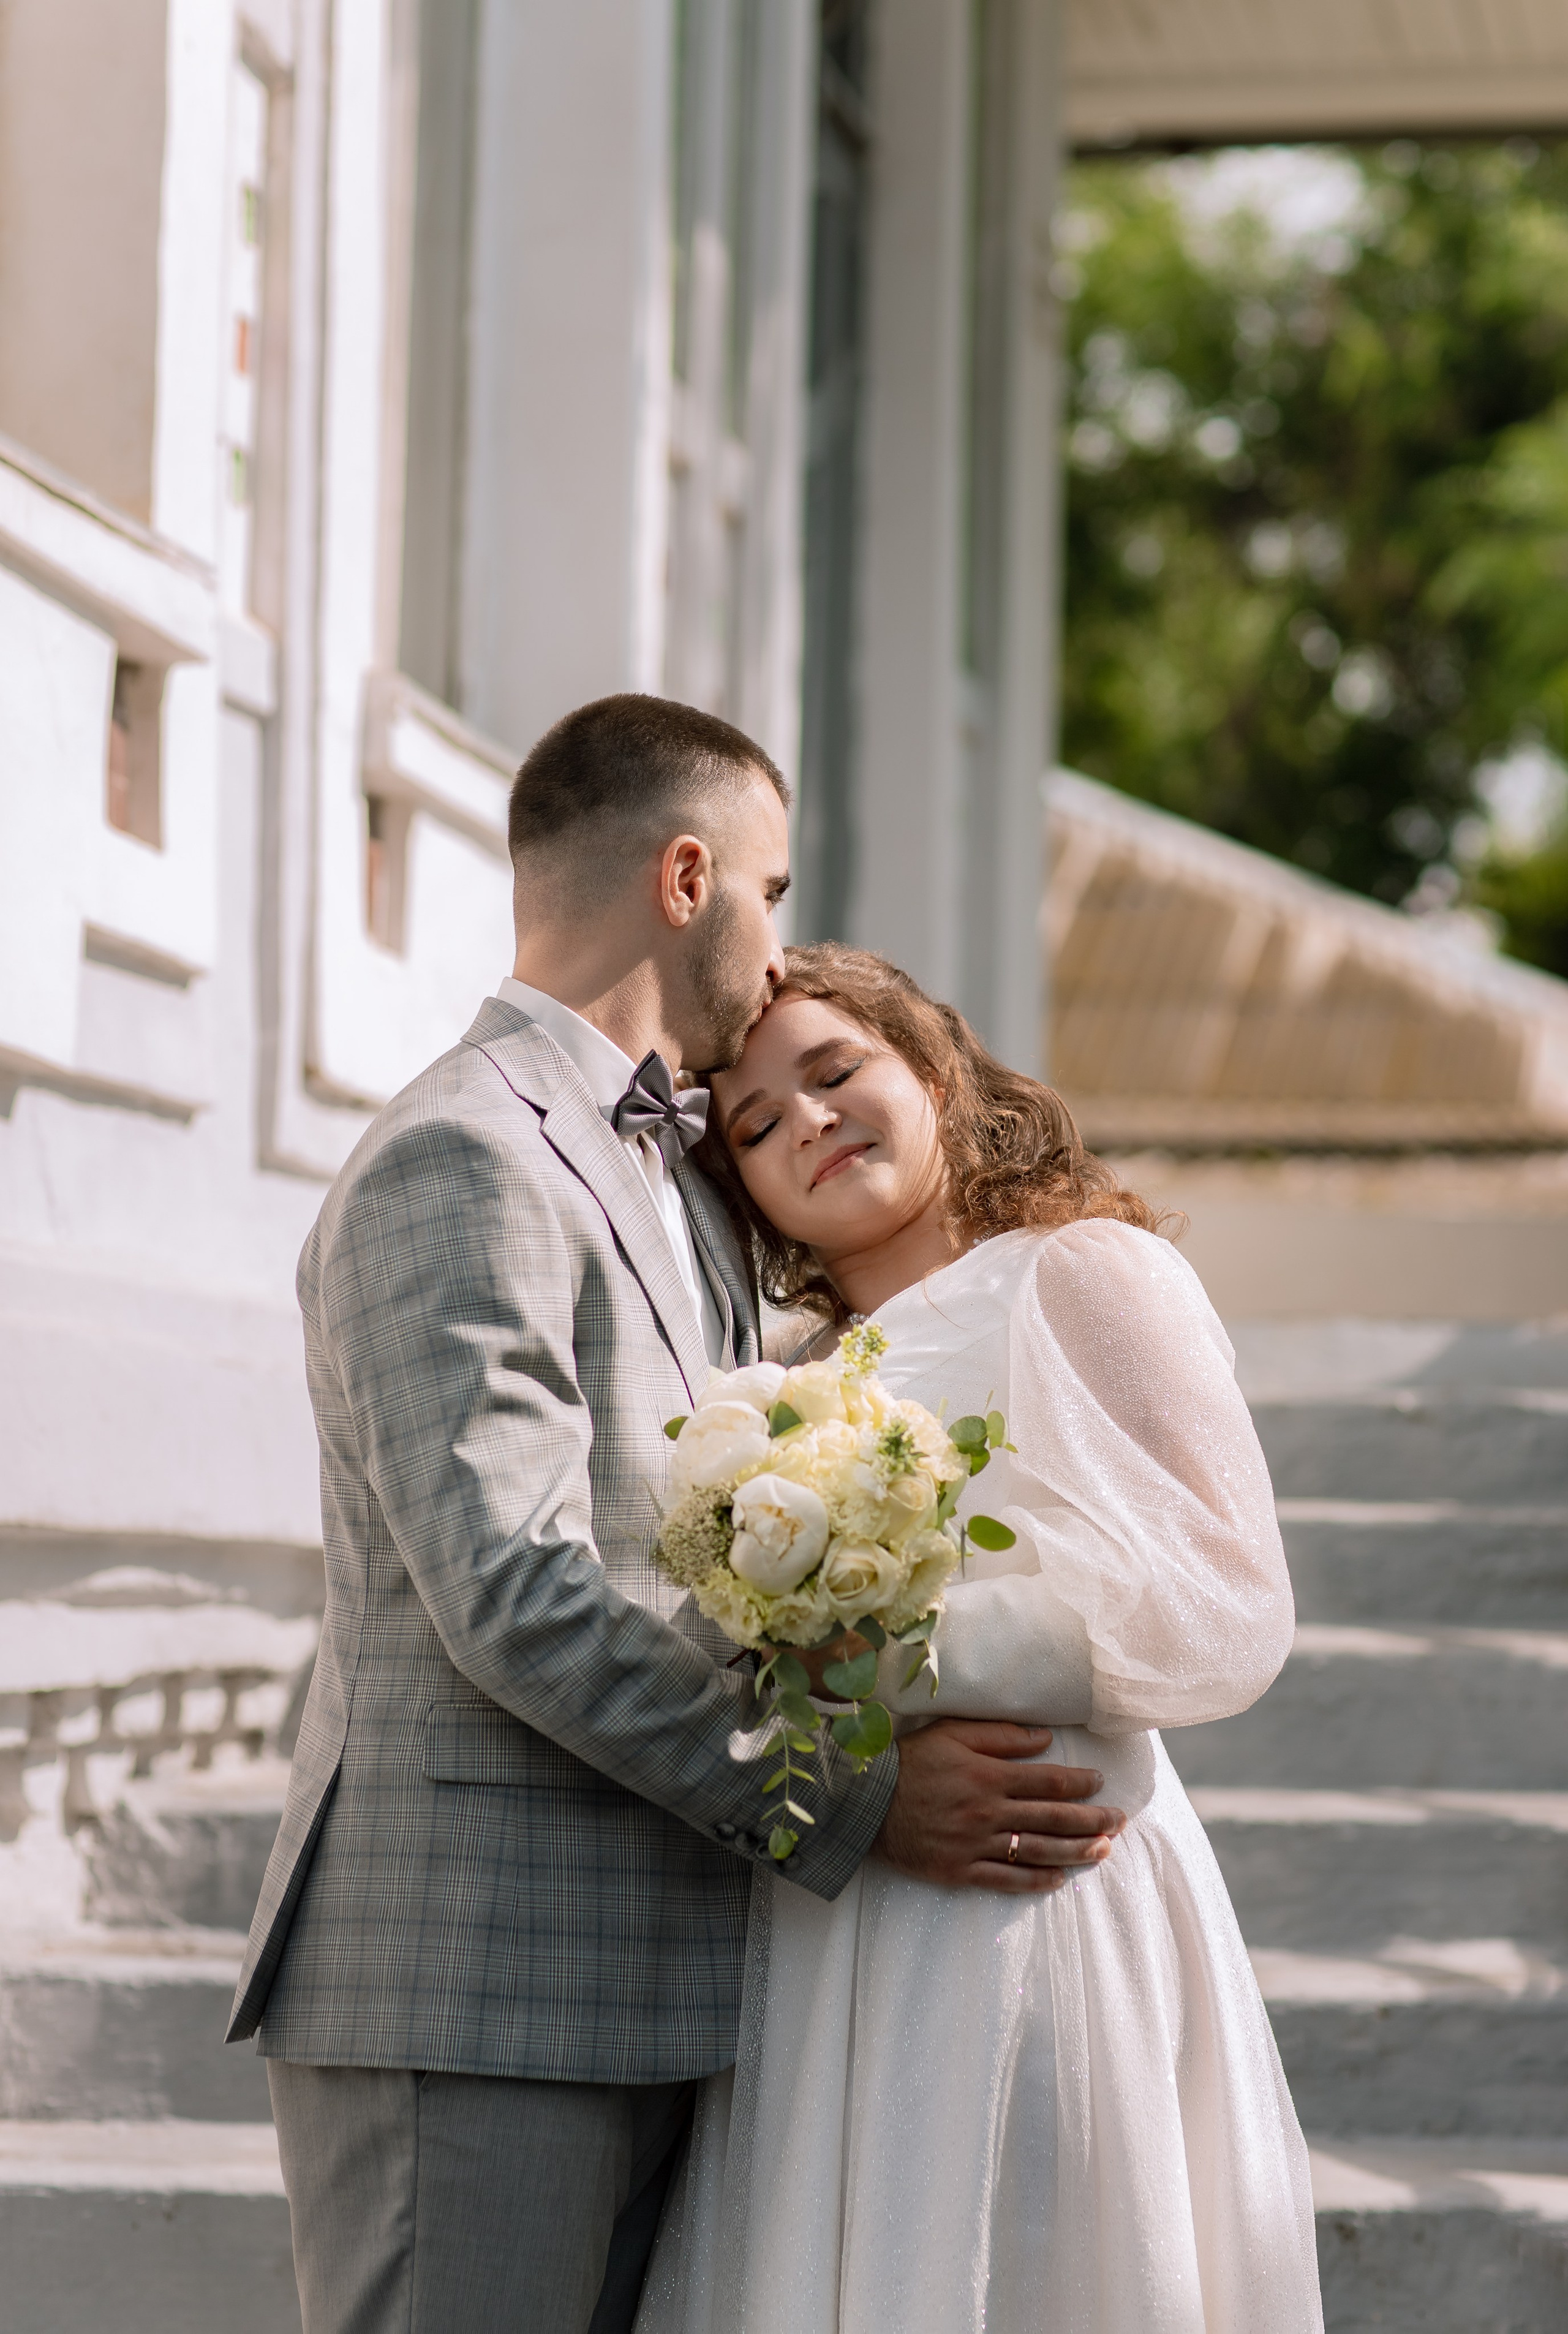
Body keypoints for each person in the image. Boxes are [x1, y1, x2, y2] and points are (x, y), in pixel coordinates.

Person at [226, 698, 1122, 2334]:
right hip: (474, 1980)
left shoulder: (668, 1170)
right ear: (691, 875)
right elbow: (515, 1590)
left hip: (665, 1985)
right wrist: (846, 1798)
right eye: (774, 894)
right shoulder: (463, 1152)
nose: (781, 956)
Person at [635, 942, 1324, 2334]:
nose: (808, 1122)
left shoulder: (1082, 1275)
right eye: (758, 1124)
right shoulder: (773, 1391)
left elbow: (1223, 1608)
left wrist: (880, 1658)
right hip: (845, 1900)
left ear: (935, 1070)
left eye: (835, 1074)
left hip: (1046, 1880)